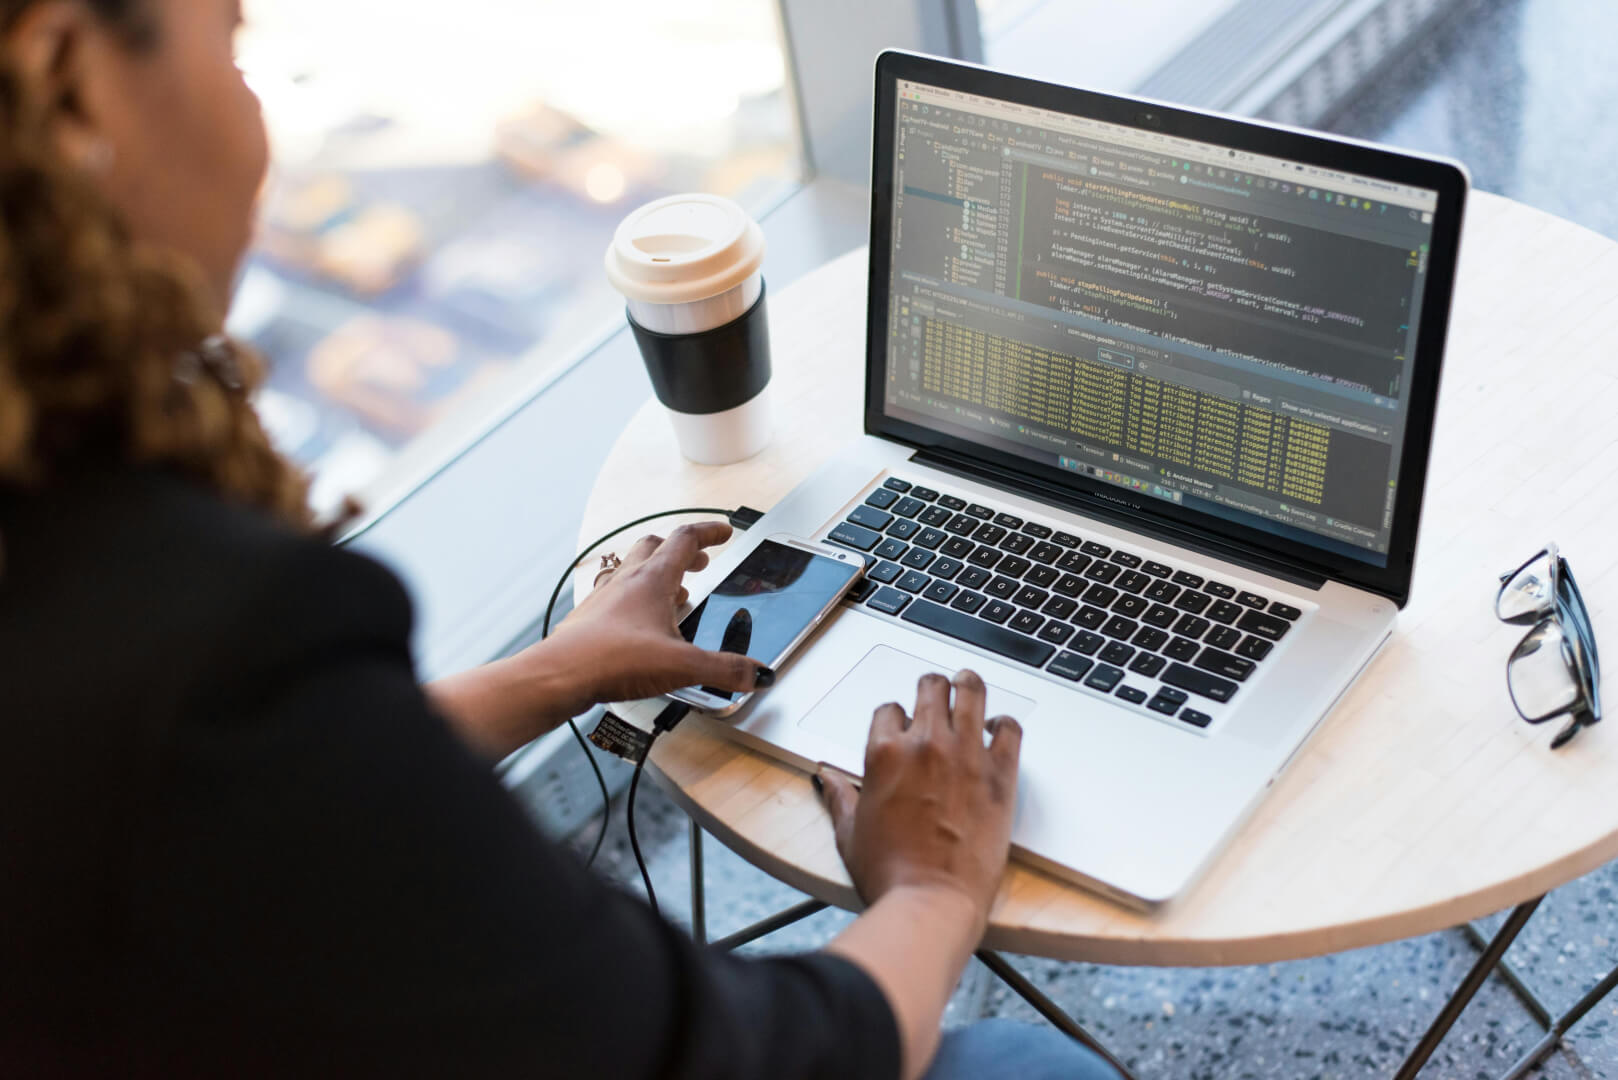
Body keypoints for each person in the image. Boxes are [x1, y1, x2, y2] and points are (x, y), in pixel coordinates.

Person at [0, 2, 1121, 1077]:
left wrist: (552, 672)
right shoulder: (208, 632)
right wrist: (928, 888)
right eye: (231, 40)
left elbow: (237, 792)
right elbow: (730, 1058)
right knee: (1032, 1065)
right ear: (70, 84)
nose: (255, 117)